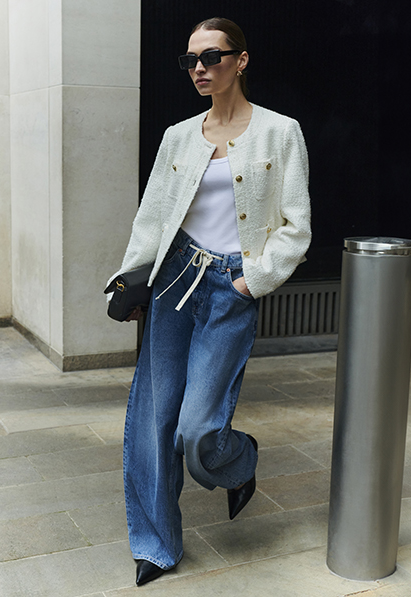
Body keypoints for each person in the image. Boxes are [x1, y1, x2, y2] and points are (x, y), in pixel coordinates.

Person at [106, 17, 312, 587]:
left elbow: (296, 226)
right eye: (191, 60)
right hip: (173, 281)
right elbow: (152, 218)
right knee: (153, 420)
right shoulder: (178, 135)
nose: (200, 68)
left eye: (213, 56)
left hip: (230, 287)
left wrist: (254, 279)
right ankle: (155, 544)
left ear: (241, 61)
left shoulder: (279, 132)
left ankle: (238, 460)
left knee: (197, 429)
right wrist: (133, 280)